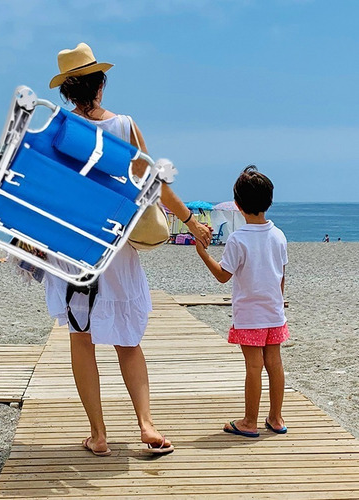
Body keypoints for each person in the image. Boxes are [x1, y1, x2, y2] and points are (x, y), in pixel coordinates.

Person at [44, 43, 211, 456]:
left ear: (67, 91)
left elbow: (46, 193)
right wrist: (190, 221)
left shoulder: (57, 129)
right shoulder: (124, 126)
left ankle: (99, 436)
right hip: (115, 243)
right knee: (128, 341)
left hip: (72, 246)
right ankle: (146, 424)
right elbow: (155, 185)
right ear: (100, 84)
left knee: (81, 338)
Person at [195, 166, 289, 437]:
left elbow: (223, 276)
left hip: (250, 315)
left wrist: (203, 253)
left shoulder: (238, 239)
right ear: (269, 200)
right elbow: (281, 275)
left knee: (253, 367)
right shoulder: (278, 235)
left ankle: (250, 420)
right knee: (275, 363)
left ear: (237, 204)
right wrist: (278, 302)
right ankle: (276, 417)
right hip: (274, 311)